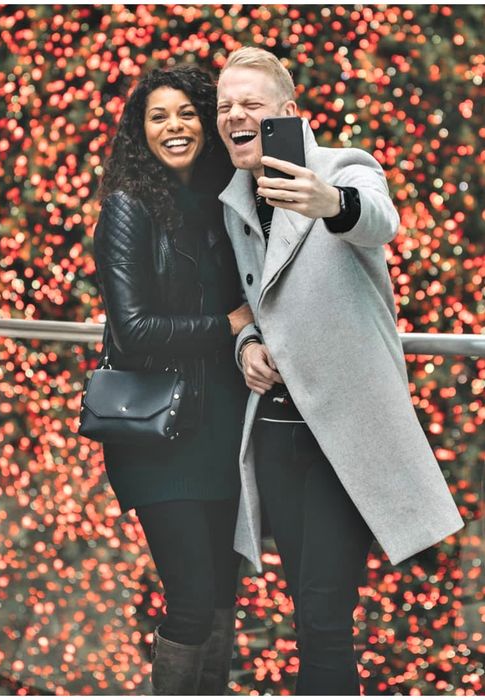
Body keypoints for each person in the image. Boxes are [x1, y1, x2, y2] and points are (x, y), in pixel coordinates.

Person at [214, 47, 464, 694]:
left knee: (324, 616)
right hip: (273, 434)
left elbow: (377, 221)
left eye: (250, 104)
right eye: (224, 106)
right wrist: (245, 343)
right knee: (306, 609)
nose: (234, 115)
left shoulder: (342, 167)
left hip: (342, 441)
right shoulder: (232, 198)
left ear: (288, 113)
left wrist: (329, 202)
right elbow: (237, 295)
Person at [92, 65, 252, 694]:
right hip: (161, 435)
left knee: (221, 599)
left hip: (224, 425)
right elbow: (132, 330)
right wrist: (229, 324)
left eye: (186, 113)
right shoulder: (129, 206)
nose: (174, 127)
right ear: (141, 131)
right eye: (158, 116)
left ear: (208, 123)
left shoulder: (228, 200)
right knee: (189, 601)